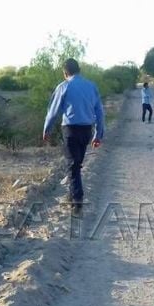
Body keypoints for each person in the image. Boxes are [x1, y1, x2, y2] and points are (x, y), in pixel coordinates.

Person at [43, 58, 105, 216]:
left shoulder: (64, 86)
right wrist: (98, 133)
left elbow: (53, 111)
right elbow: (99, 111)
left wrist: (47, 129)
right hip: (87, 130)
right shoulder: (91, 86)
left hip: (70, 130)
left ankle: (77, 200)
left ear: (65, 72)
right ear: (79, 70)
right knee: (76, 164)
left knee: (72, 165)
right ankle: (72, 194)